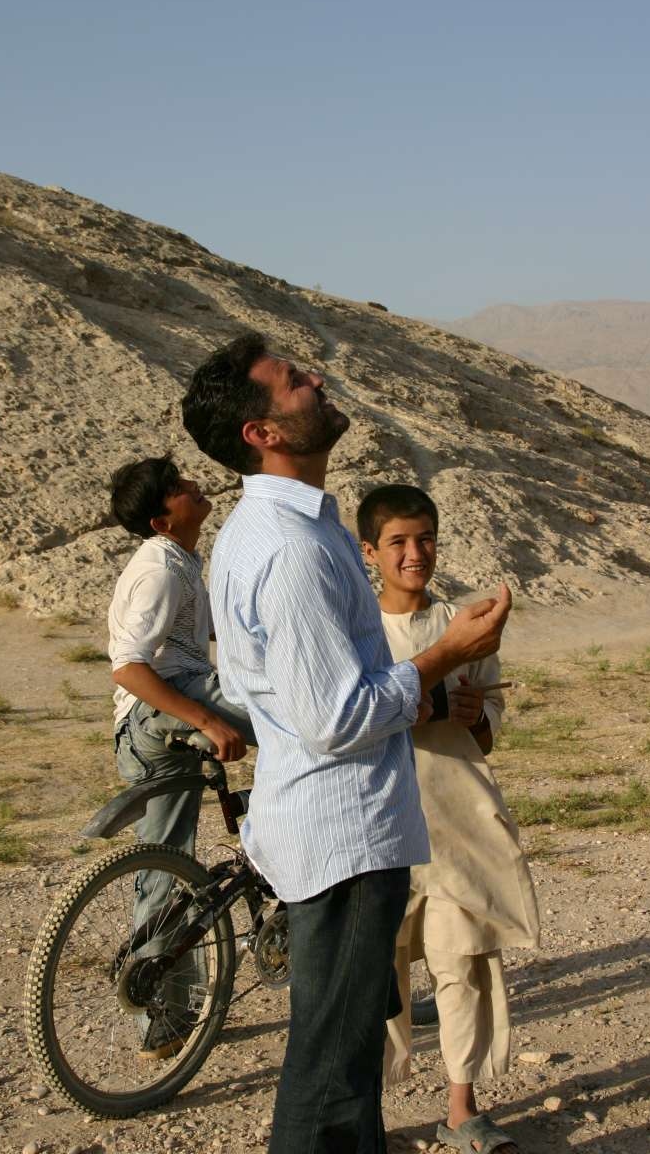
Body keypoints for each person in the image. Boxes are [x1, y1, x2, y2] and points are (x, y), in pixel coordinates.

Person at [181, 330, 513, 1154]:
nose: (316, 380)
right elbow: (336, 718)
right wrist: (445, 658)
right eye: (293, 382)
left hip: (337, 830)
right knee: (332, 1072)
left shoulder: (288, 530)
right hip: (345, 837)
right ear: (261, 432)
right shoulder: (291, 550)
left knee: (348, 1054)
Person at [357, 484, 540, 1154]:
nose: (415, 554)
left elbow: (487, 732)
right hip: (378, 828)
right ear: (369, 550)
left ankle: (462, 1108)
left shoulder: (465, 628)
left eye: (425, 538)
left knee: (461, 966)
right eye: (399, 542)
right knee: (378, 975)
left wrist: (474, 719)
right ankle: (365, 1109)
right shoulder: (356, 631)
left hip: (456, 822)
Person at [107, 454, 254, 1058]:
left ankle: (177, 1005)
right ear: (162, 518)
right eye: (176, 488)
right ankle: (159, 1016)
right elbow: (128, 666)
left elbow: (225, 632)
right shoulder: (159, 571)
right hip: (161, 712)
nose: (192, 485)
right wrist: (206, 718)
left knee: (173, 863)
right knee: (164, 871)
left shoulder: (181, 562)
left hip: (173, 704)